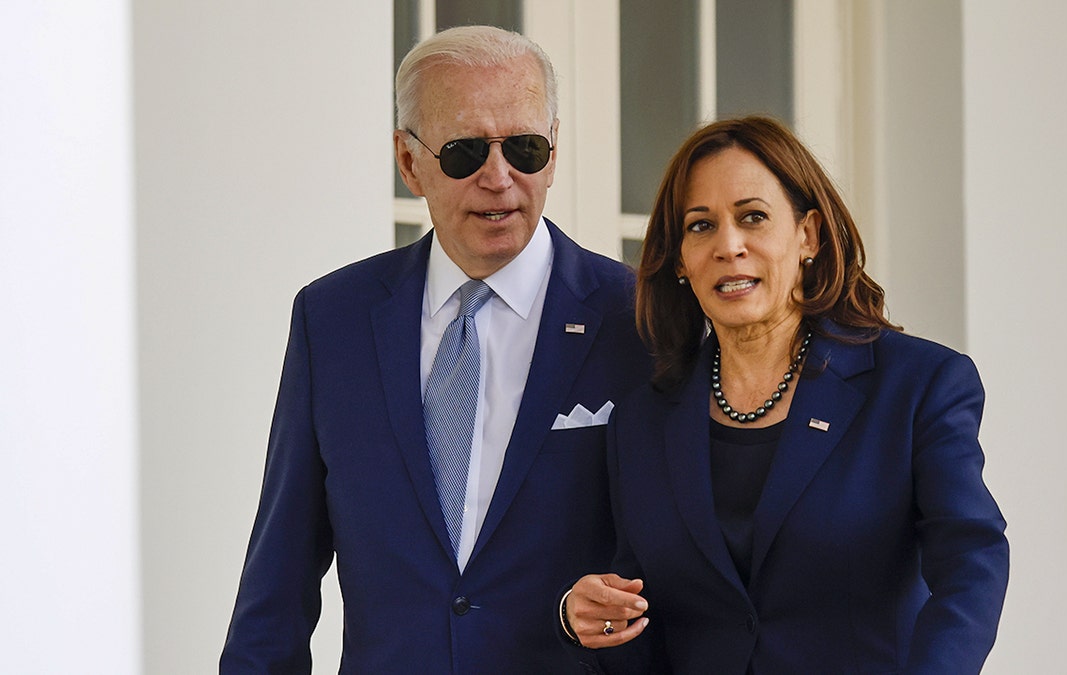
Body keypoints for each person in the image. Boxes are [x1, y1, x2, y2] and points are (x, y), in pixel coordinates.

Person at [220, 26, 651, 673]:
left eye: (526, 148)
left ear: (555, 151)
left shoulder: (637, 318)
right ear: (408, 160)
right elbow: (275, 587)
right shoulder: (331, 320)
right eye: (465, 152)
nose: (500, 177)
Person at [562, 116, 1009, 673]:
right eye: (700, 226)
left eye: (753, 217)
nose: (729, 246)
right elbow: (641, 616)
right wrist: (587, 618)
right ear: (681, 260)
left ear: (809, 236)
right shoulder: (642, 421)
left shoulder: (918, 385)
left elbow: (972, 561)